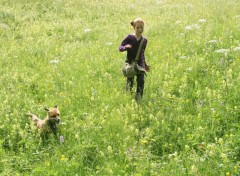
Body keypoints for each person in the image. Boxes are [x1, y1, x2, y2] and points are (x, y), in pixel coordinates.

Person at [119, 17, 150, 100]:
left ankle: (138, 97)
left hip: (140, 63)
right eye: (138, 28)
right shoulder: (129, 38)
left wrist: (145, 65)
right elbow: (120, 48)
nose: (140, 30)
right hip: (130, 62)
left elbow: (142, 53)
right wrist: (126, 47)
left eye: (142, 28)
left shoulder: (144, 40)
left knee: (141, 80)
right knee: (130, 81)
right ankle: (128, 96)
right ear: (134, 28)